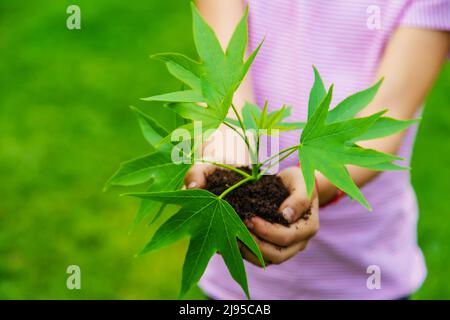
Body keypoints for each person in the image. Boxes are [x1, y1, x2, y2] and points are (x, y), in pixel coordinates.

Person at [184, 0, 450, 299]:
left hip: (361, 273)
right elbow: (223, 72)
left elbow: (384, 121)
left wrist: (313, 183)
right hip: (239, 270)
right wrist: (226, 145)